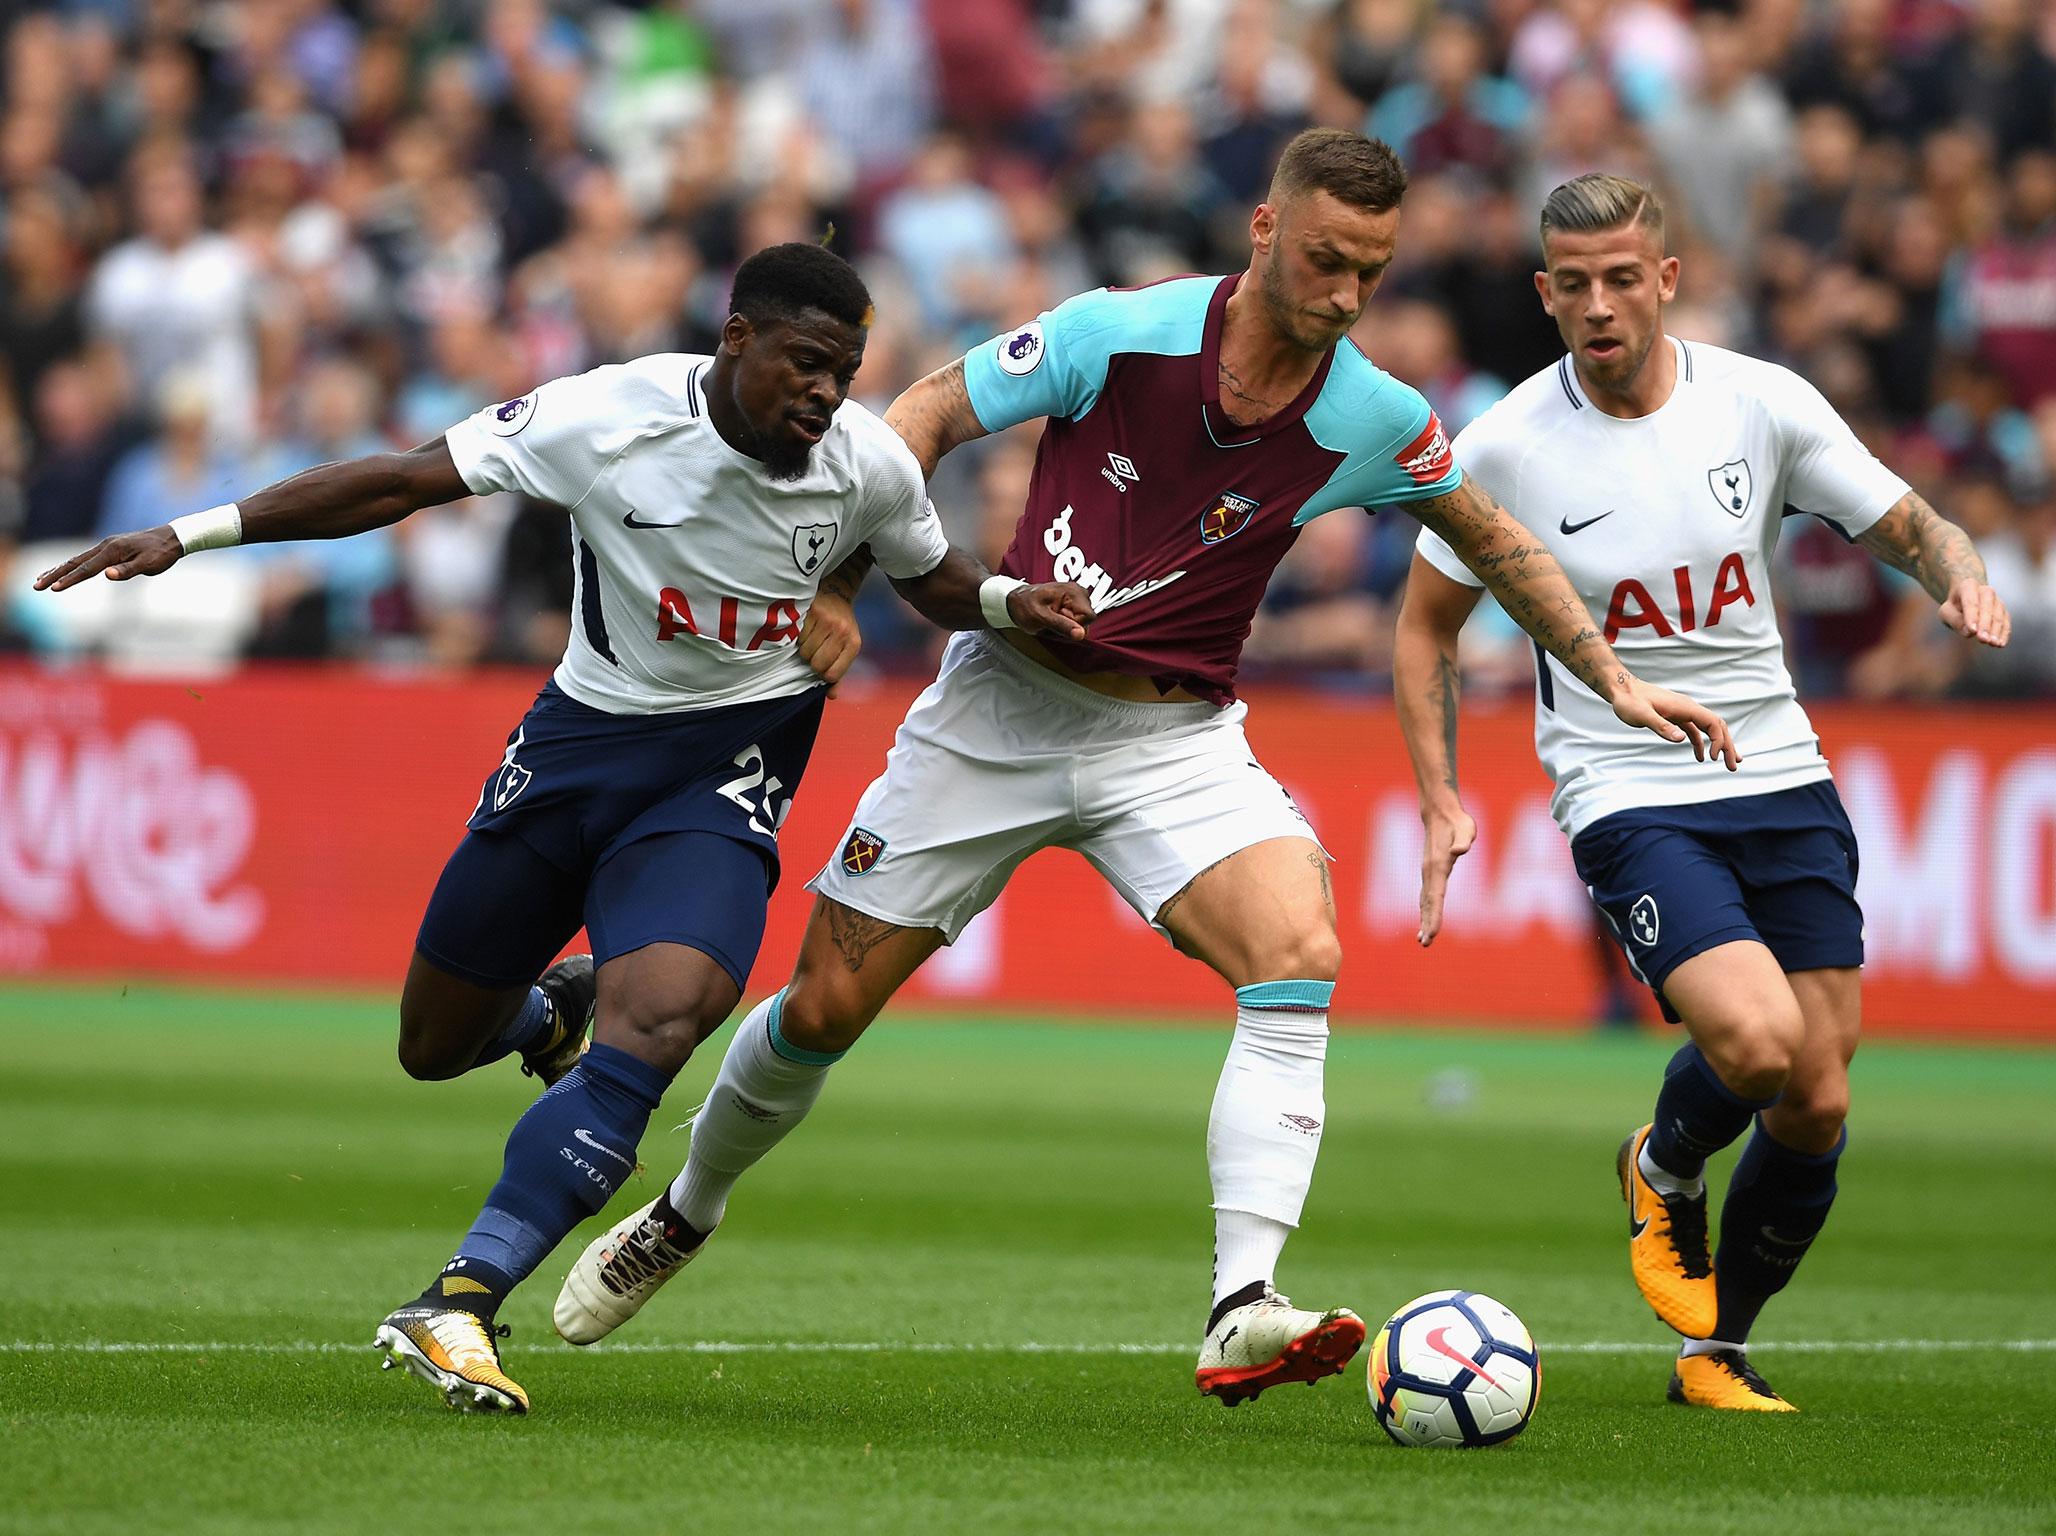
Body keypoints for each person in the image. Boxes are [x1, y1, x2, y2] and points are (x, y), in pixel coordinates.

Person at [549, 131, 1735, 1407]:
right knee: (822, 1012)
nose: (1345, 296)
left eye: (1372, 274)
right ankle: (687, 1207)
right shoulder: (1117, 331)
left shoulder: (1374, 413)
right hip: (998, 711)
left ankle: (1242, 1303)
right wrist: (845, 574)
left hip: (1171, 742)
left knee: (1298, 952)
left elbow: (1494, 542)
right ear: (1266, 232)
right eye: (1326, 261)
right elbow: (922, 417)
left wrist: (1609, 675)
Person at [35, 243, 1094, 1416]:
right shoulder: (609, 414)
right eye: (805, 361)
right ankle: (548, 1009)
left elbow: (928, 574)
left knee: (671, 1014)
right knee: (435, 1045)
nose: (825, 392)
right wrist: (189, 536)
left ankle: (460, 1298)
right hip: (573, 755)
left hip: (720, 778)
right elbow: (402, 482)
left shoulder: (866, 465)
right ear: (735, 338)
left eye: (843, 371)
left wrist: (1004, 603)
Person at [1393, 174, 2011, 1412]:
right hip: (1626, 786)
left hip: (1780, 771)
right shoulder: (1506, 443)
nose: (1600, 306)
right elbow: (1424, 633)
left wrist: (1957, 571)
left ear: (1665, 278)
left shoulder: (1757, 402)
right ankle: (1661, 1164)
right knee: (1758, 1041)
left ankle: (1714, 1353)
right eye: (1574, 286)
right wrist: (1441, 795)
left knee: (1818, 1095)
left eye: (1623, 278)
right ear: (1544, 295)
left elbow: (1903, 520)